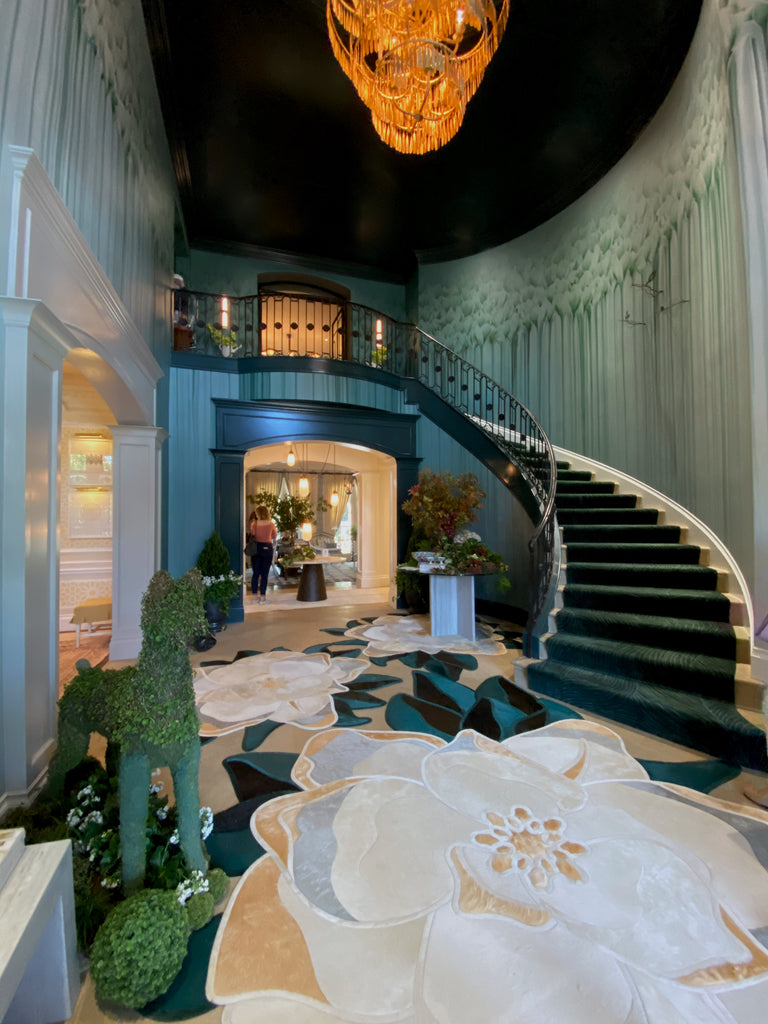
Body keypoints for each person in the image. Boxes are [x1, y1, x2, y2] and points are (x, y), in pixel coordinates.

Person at [248, 505, 278, 603]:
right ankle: (263, 598)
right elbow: (274, 536)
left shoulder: (254, 524)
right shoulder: (271, 524)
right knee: (265, 574)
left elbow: (252, 534)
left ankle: (255, 598)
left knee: (256, 573)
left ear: (257, 514)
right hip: (267, 549)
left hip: (256, 549)